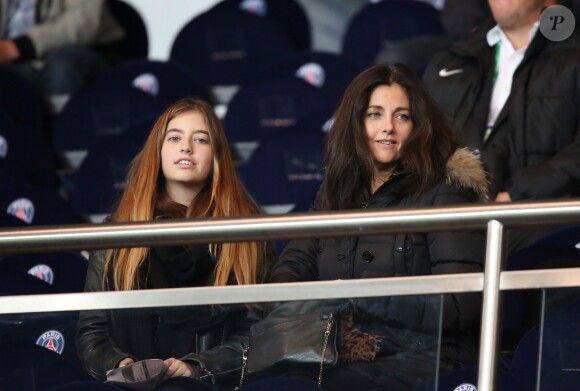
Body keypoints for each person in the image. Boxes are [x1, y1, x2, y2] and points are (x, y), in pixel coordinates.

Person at [242, 64, 490, 391]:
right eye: (375, 114)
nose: (388, 127)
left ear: (418, 126)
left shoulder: (445, 190)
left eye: (401, 116)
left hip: (424, 355)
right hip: (336, 351)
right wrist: (313, 307)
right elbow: (291, 268)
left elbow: (462, 305)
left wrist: (363, 298)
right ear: (356, 123)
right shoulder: (335, 191)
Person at [76, 97, 275, 390]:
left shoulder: (245, 233)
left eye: (201, 140)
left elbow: (258, 331)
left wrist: (196, 367)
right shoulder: (118, 233)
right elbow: (92, 329)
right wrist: (123, 366)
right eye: (174, 137)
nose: (186, 147)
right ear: (158, 151)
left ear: (217, 155)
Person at [422, 0, 580, 250]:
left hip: (548, 228)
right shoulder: (451, 61)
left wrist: (517, 194)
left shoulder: (572, 51)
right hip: (450, 229)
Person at [0, 0, 126, 113]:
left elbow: (83, 21)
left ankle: (68, 133)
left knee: (60, 70)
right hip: (16, 61)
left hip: (82, 50)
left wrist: (18, 46)